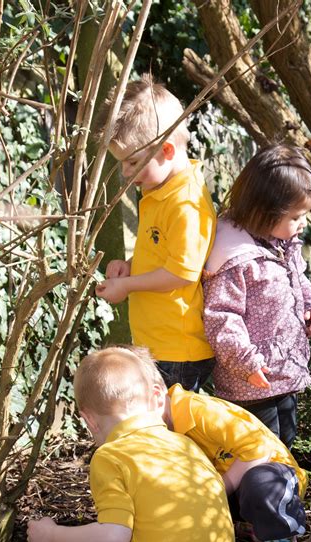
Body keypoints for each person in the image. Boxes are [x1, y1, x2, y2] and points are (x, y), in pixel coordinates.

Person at [27, 347, 238, 542]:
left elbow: (115, 536)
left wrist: (52, 536)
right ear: (156, 397)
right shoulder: (185, 444)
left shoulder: (111, 457)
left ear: (89, 420)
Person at [123, 345, 307, 542]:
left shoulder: (198, 410)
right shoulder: (158, 429)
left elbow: (258, 450)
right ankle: (236, 534)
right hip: (228, 485)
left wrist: (219, 488)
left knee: (260, 482)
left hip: (275, 479)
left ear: (156, 397)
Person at [93, 74, 216, 392]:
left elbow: (181, 273)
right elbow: (164, 251)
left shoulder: (185, 203)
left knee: (174, 435)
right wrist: (132, 265)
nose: (125, 172)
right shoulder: (160, 189)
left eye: (132, 162)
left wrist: (128, 285)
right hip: (159, 344)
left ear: (166, 150)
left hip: (178, 351)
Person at [203, 143, 311, 449]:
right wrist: (247, 363)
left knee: (286, 445)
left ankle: (283, 495)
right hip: (250, 382)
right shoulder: (234, 257)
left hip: (285, 371)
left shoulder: (282, 243)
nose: (303, 223)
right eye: (296, 216)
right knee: (260, 456)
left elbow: (299, 279)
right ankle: (256, 498)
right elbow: (221, 317)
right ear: (264, 210)